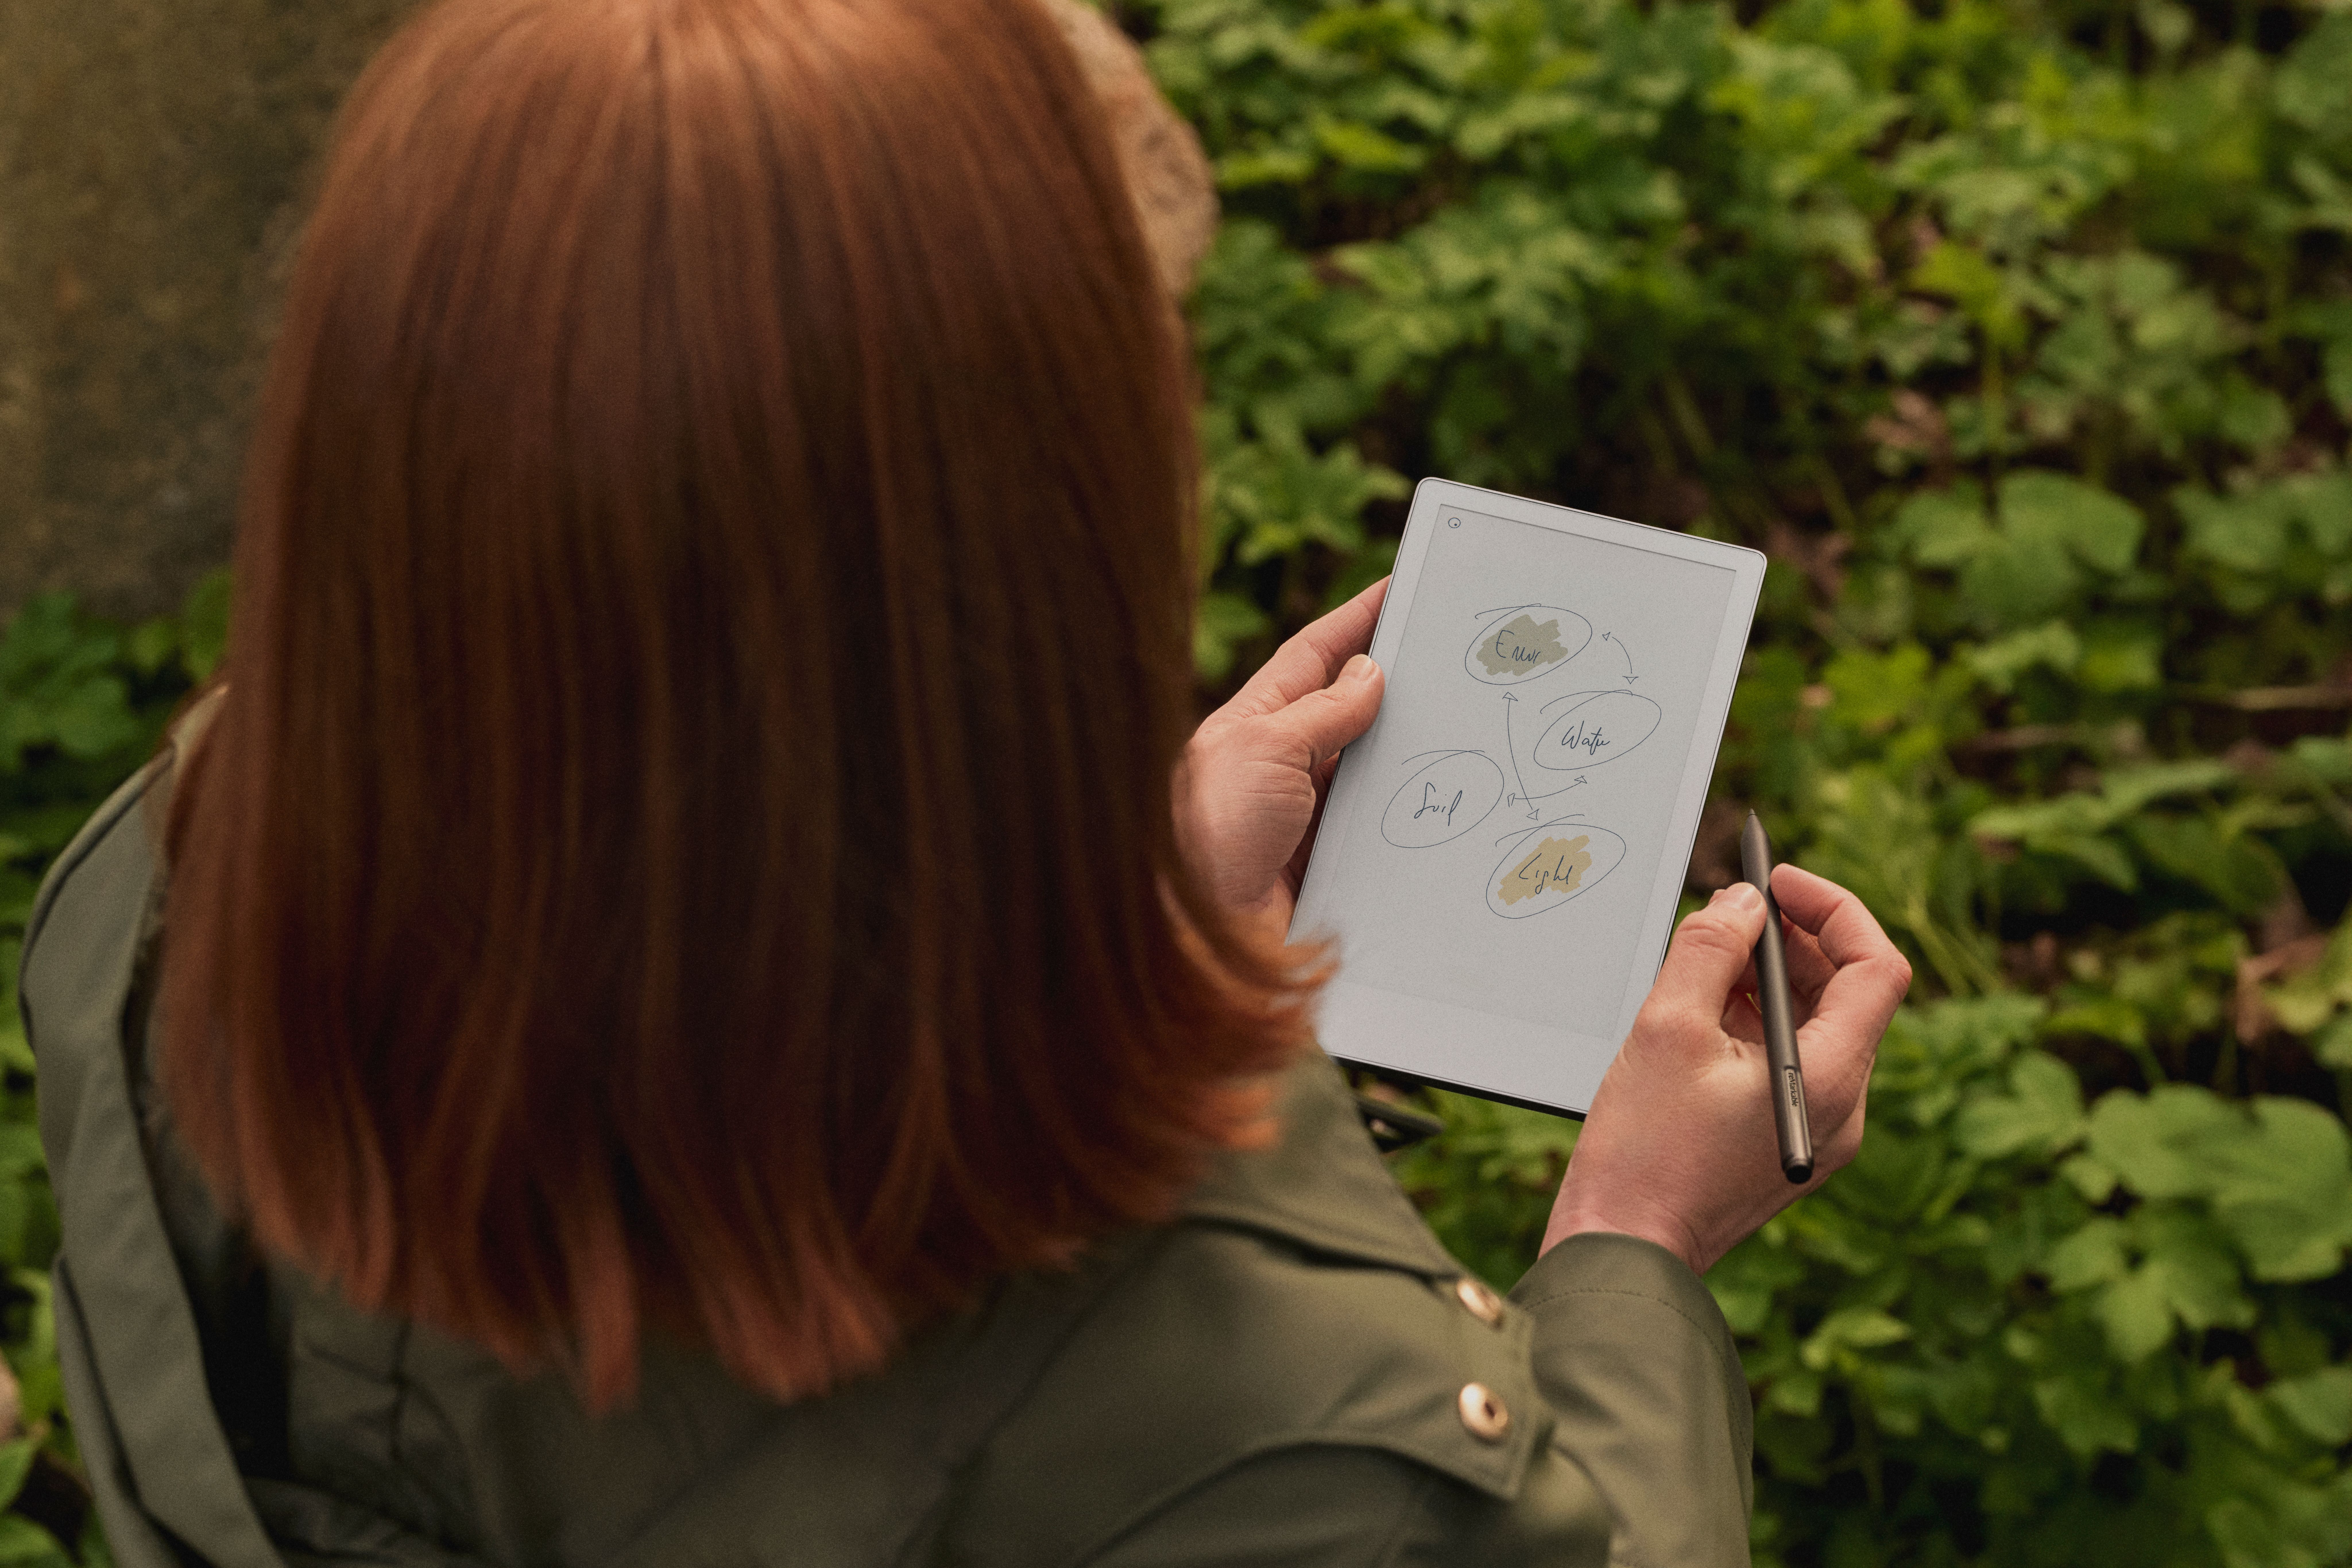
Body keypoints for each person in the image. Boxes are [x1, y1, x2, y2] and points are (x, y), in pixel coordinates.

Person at [19, 0, 1912, 1561]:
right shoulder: (1277, 1442)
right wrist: (1632, 1251)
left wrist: (1115, 955)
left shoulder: (169, 885)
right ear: (1014, 583)